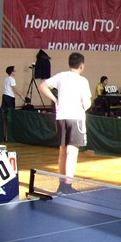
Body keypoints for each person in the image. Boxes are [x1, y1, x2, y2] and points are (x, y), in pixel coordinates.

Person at [38, 52, 92, 183]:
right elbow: (87, 103)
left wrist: (55, 100)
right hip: (76, 118)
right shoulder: (82, 81)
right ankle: (68, 184)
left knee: (62, 150)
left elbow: (43, 86)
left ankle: (62, 183)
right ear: (82, 65)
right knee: (72, 152)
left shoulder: (61, 76)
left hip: (61, 117)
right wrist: (84, 107)